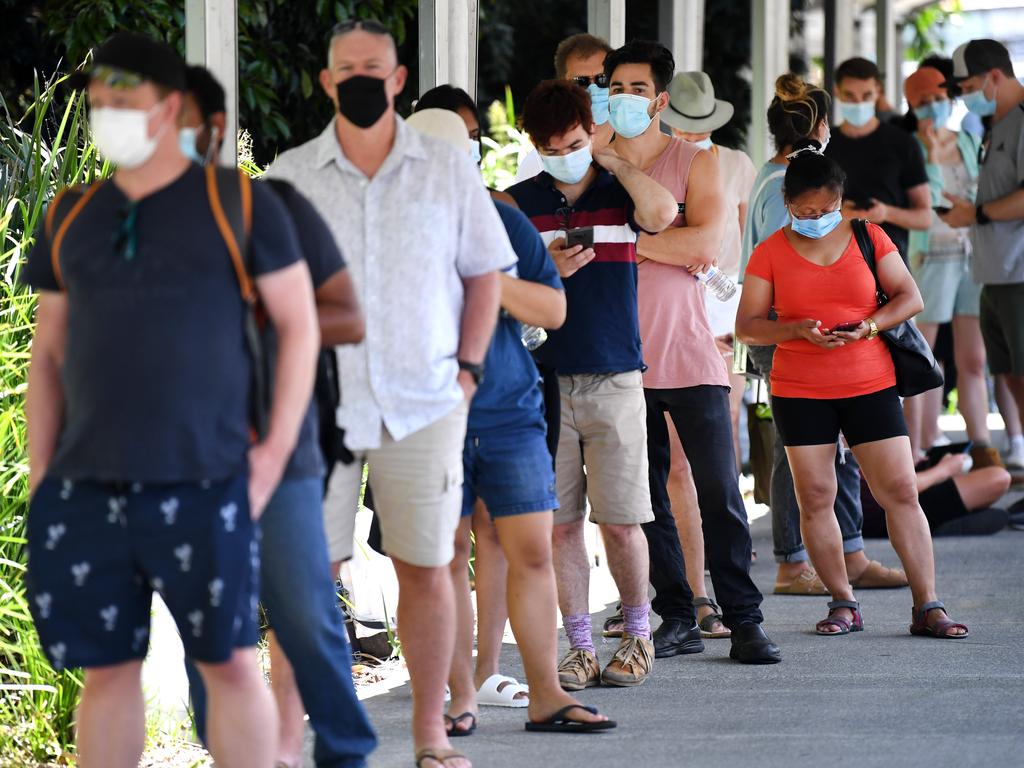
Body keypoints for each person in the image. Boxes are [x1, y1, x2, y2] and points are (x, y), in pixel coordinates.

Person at [23, 32, 321, 767]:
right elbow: (48, 353)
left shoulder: (240, 205)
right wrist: (41, 477)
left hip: (208, 476)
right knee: (107, 672)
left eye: (125, 98)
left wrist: (271, 458)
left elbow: (301, 327)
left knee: (227, 664)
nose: (109, 113)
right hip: (89, 485)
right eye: (98, 102)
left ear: (171, 106)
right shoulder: (69, 213)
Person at [264, 20, 510, 768]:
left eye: (376, 66)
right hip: (318, 405)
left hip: (426, 399)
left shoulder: (445, 167)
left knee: (426, 568)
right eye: (348, 68)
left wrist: (467, 369)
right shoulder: (292, 173)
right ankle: (278, 744)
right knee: (304, 574)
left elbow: (483, 276)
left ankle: (430, 735)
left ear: (399, 78)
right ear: (327, 82)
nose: (362, 78)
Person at [177, 66, 377, 768]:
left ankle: (345, 753)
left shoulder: (278, 209)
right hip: (179, 462)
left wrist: (262, 305)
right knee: (211, 633)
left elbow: (348, 316)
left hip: (279, 453)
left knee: (306, 622)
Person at [407, 105, 614, 735]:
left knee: (530, 552)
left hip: (508, 415)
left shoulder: (502, 221)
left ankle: (546, 694)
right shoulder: (387, 229)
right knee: (440, 560)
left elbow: (552, 309)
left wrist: (488, 281)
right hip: (423, 420)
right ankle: (460, 697)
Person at [737, 140, 969, 640]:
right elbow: (748, 326)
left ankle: (928, 604)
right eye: (805, 212)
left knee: (901, 492)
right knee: (815, 497)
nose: (817, 218)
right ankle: (843, 602)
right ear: (789, 205)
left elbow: (910, 297)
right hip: (800, 388)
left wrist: (867, 327)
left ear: (841, 200)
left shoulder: (868, 236)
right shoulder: (770, 250)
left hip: (869, 382)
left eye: (826, 210)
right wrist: (795, 330)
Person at [597, 41, 779, 665]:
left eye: (637, 88)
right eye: (615, 86)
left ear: (661, 99)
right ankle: (677, 615)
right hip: (618, 360)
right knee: (643, 502)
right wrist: (657, 235)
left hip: (693, 353)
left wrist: (625, 238)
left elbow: (705, 244)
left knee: (719, 493)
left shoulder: (694, 162)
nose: (625, 98)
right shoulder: (592, 161)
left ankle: (745, 618)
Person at [506, 79, 678, 690]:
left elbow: (662, 216)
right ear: (534, 146)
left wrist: (611, 160)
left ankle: (637, 635)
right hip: (542, 381)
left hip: (615, 375)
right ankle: (578, 645)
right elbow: (489, 286)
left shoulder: (620, 190)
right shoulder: (516, 203)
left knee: (624, 519)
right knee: (559, 524)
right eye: (552, 148)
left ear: (591, 131)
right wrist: (541, 267)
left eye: (575, 142)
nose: (565, 155)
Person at [740, 74, 907, 596]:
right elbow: (781, 272)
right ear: (820, 126)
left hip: (825, 337)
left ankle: (850, 551)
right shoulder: (785, 187)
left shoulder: (786, 178)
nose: (816, 219)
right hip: (792, 336)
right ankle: (793, 559)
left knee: (831, 451)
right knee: (806, 455)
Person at [654, 69, 757, 640]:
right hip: (668, 318)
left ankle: (728, 596)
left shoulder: (733, 164)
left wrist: (738, 320)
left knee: (718, 465)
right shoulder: (650, 160)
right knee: (672, 469)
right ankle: (691, 594)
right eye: (681, 125)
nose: (689, 134)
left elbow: (735, 244)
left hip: (720, 318)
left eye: (699, 126)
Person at [900, 65, 997, 471]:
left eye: (940, 99)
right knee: (923, 357)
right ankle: (918, 447)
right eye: (924, 102)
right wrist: (933, 150)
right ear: (912, 106)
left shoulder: (971, 138)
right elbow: (931, 201)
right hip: (929, 258)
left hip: (972, 257)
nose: (935, 107)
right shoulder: (910, 148)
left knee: (973, 359)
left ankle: (982, 445)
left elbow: (981, 193)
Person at [939, 39, 1024, 455]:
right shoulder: (997, 125)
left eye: (968, 85)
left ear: (994, 76)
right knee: (1009, 373)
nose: (965, 97)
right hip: (995, 273)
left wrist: (977, 214)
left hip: (1019, 273)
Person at [825, 57, 931, 263]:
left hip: (891, 265)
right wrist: (839, 214)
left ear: (878, 92)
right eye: (850, 96)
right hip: (836, 263)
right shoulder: (825, 146)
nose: (858, 103)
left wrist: (885, 213)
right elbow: (804, 212)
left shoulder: (902, 143)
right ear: (837, 91)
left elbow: (924, 217)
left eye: (866, 95)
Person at [514, 33, 614, 183]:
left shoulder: (637, 149)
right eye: (581, 82)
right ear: (563, 85)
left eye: (603, 79)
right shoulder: (539, 161)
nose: (593, 89)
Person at [862, 453, 1011, 539]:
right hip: (886, 510)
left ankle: (948, 518)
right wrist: (944, 470)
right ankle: (933, 525)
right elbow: (893, 487)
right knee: (998, 478)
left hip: (895, 492)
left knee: (993, 479)